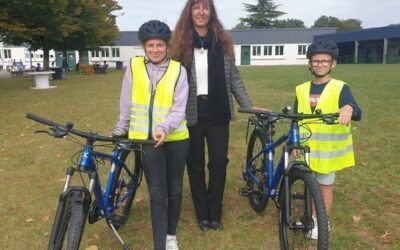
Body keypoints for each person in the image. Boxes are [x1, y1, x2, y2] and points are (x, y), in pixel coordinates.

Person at [170, 0, 258, 231]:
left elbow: (234, 78)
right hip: (190, 112)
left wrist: (248, 106)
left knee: (219, 163)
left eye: (205, 7)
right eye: (196, 7)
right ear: (190, 12)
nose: (201, 11)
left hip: (218, 110)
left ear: (211, 12)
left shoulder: (224, 44)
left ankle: (215, 213)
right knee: (195, 164)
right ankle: (202, 214)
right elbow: (171, 80)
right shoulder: (179, 45)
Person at [112, 20, 189, 250]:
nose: (155, 50)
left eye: (160, 45)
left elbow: (179, 107)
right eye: (150, 45)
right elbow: (126, 101)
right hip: (146, 140)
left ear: (167, 46)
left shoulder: (179, 70)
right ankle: (159, 246)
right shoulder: (135, 66)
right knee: (157, 193)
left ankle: (171, 236)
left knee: (174, 188)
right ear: (144, 47)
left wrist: (164, 128)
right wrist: (120, 126)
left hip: (176, 138)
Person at [293, 39, 362, 239]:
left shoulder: (340, 87)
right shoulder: (301, 89)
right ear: (309, 64)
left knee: (324, 185)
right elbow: (296, 117)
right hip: (307, 148)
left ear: (333, 63)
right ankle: (310, 217)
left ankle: (320, 220)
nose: (319, 64)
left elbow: (354, 108)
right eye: (315, 61)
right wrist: (294, 140)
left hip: (328, 151)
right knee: (309, 184)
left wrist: (348, 108)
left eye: (324, 61)